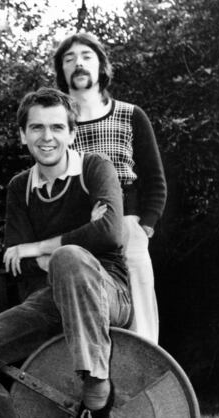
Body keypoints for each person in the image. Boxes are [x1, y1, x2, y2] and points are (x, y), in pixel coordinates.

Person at [0, 88, 132, 418]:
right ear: (22, 135)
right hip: (47, 302)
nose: (47, 137)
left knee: (68, 258)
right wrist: (73, 242)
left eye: (57, 127)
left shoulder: (94, 169)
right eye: (37, 128)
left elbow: (111, 233)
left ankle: (97, 382)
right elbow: (22, 265)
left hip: (106, 294)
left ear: (72, 133)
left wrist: (40, 248)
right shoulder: (19, 187)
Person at [54, 32, 167, 343]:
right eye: (69, 59)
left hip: (127, 224)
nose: (78, 63)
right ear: (62, 72)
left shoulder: (130, 114)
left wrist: (145, 227)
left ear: (101, 66)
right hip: (78, 227)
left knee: (141, 315)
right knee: (89, 307)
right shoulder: (57, 125)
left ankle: (141, 380)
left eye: (86, 57)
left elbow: (155, 180)